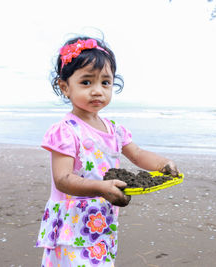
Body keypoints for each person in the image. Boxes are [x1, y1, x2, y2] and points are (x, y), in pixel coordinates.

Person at [35, 35, 179, 267]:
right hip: (71, 222)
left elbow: (138, 154)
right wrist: (101, 187)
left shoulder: (114, 130)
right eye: (86, 82)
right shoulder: (66, 131)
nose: (97, 91)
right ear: (64, 87)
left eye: (105, 82)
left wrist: (163, 164)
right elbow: (62, 179)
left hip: (101, 218)